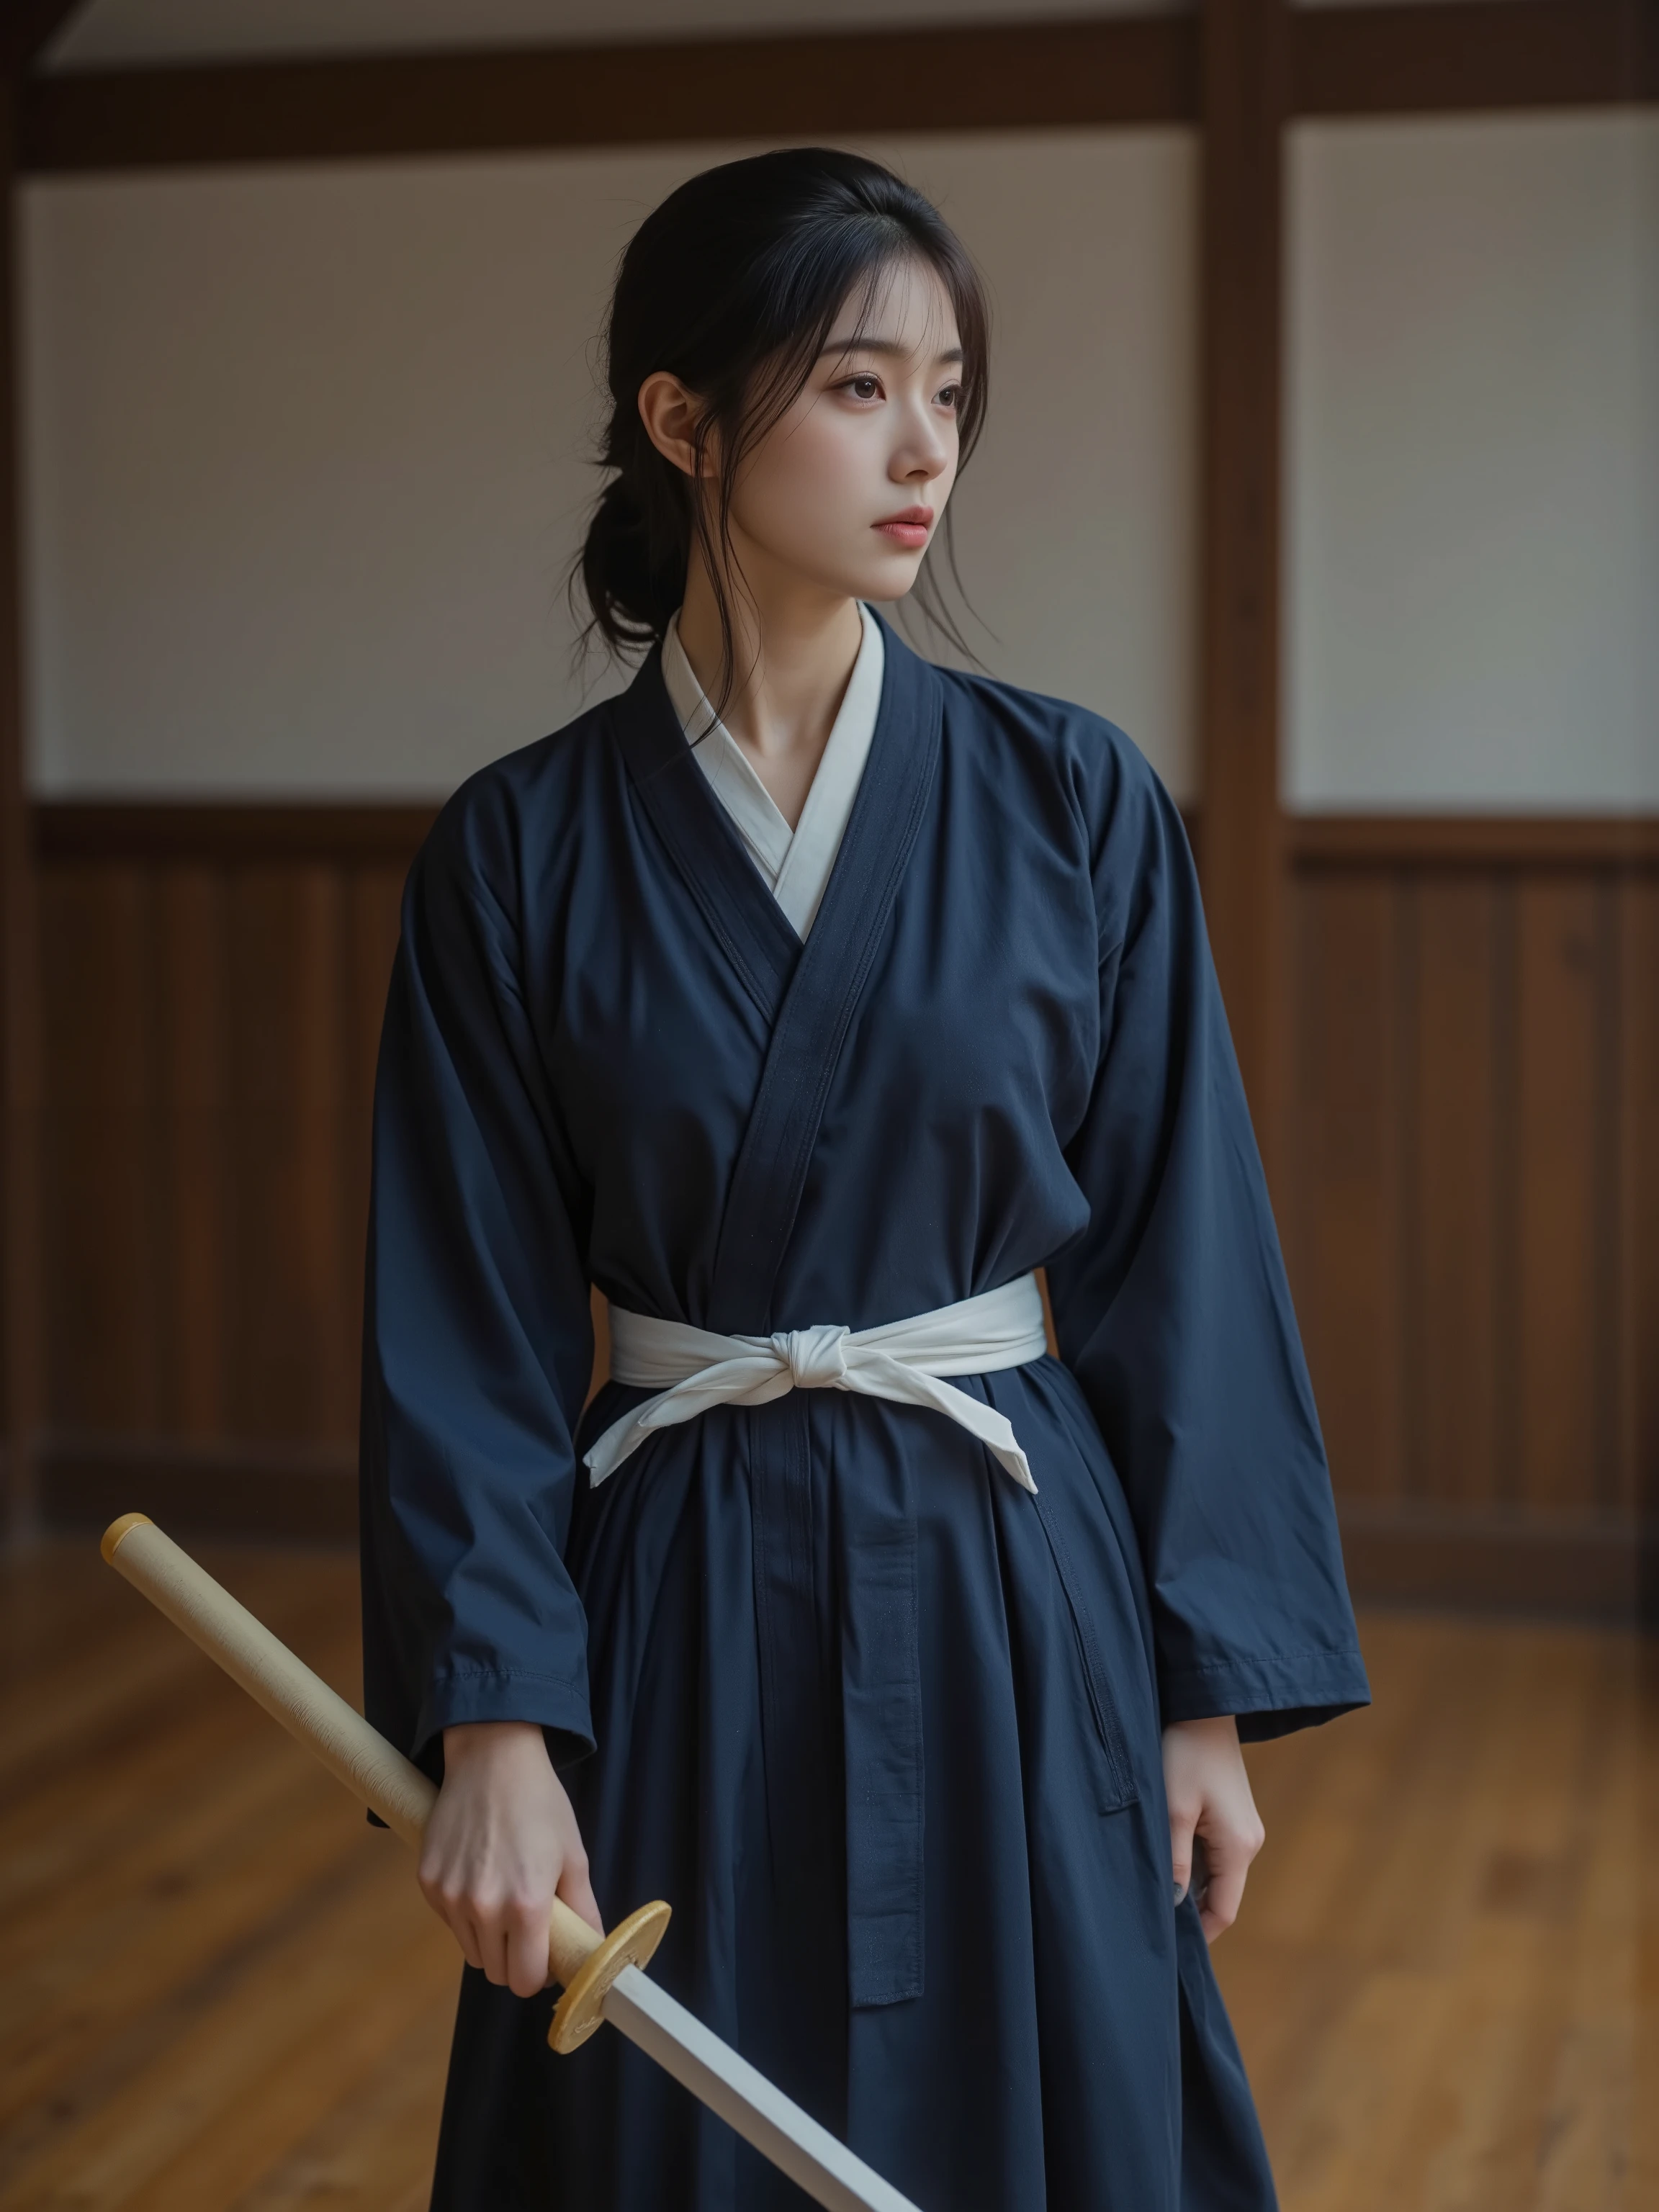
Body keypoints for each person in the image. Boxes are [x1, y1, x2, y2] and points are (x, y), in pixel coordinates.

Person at [359, 146, 1368, 2212]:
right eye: (858, 387)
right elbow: (457, 1318)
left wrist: (1208, 1697)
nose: (928, 448)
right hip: (673, 1590)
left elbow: (1190, 1255)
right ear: (684, 420)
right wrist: (492, 1729)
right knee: (667, 2132)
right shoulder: (518, 853)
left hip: (1013, 1578)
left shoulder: (1072, 800)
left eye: (951, 392)